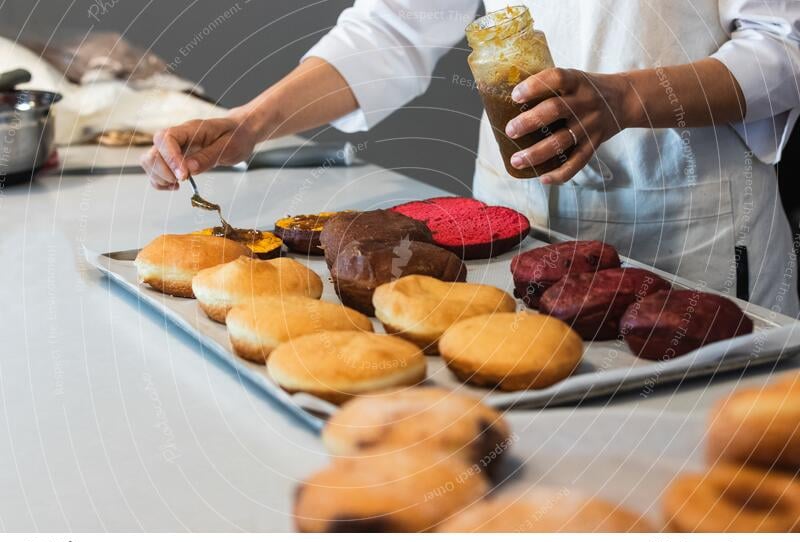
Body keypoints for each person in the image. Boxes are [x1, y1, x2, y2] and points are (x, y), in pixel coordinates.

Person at [140, 1, 800, 315]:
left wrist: (627, 98)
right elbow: (393, 25)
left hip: (689, 234)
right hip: (519, 228)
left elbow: (784, 44)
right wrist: (251, 124)